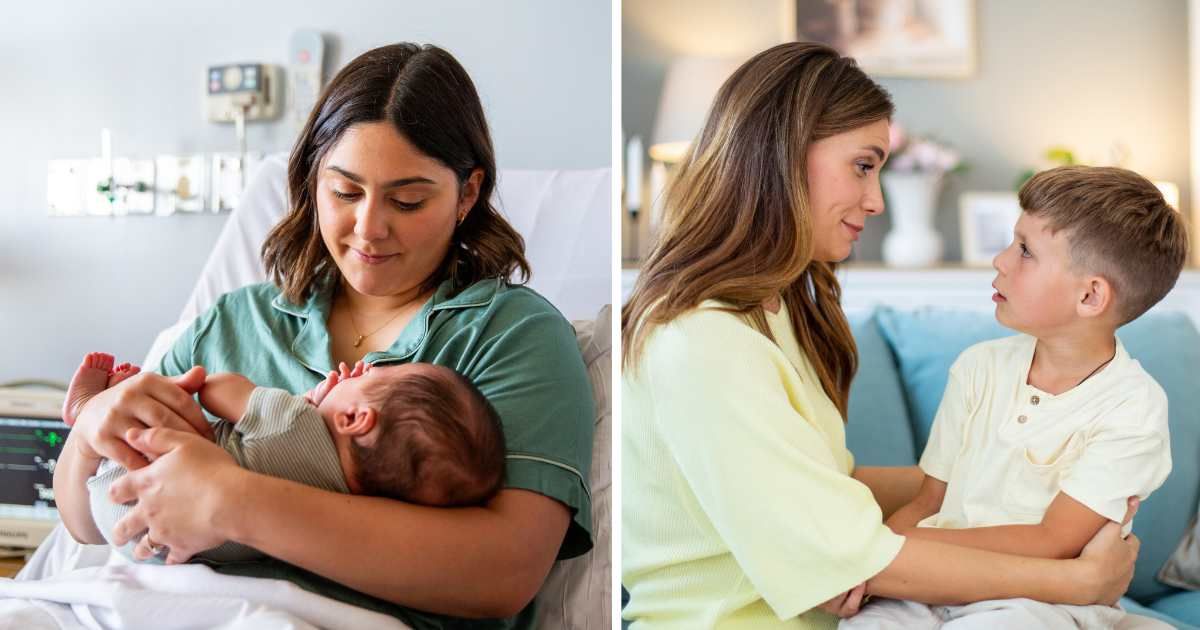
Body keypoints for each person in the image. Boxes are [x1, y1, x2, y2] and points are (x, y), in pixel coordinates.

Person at [52, 42, 594, 628]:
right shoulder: (237, 321)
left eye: (407, 200)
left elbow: (502, 573)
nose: (370, 227)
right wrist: (90, 432)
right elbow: (85, 523)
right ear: (314, 181)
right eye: (345, 192)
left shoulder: (510, 335)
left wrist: (232, 501)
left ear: (467, 193)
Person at [621, 42, 1147, 629]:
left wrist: (1022, 488)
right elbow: (847, 561)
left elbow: (816, 490)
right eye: (863, 166)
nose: (875, 201)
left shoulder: (773, 309)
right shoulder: (702, 340)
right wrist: (1081, 581)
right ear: (784, 154)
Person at [839, 166, 1187, 629]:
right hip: (929, 582)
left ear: (1090, 296)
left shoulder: (1133, 408)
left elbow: (1053, 542)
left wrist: (895, 553)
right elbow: (929, 502)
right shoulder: (978, 368)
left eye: (1025, 250)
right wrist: (868, 564)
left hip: (1040, 600)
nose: (1000, 260)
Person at [62, 352, 506, 563]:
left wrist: (297, 402)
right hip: (161, 551)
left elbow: (219, 390)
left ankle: (86, 407)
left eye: (375, 373)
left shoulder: (292, 421)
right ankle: (95, 419)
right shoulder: (349, 502)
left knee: (174, 409)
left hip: (130, 485)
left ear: (355, 418)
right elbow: (284, 460)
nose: (363, 368)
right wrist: (324, 401)